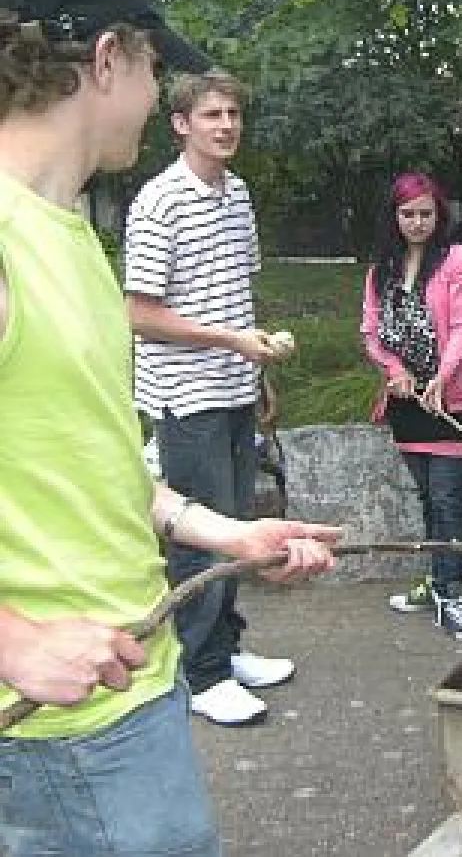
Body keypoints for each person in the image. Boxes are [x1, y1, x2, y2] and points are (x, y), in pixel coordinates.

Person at [0, 0, 339, 854]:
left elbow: (83, 461)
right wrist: (10, 644)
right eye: (155, 68)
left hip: (131, 694)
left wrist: (222, 534)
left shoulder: (66, 232)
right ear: (108, 59)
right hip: (56, 734)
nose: (159, 95)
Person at [124, 69, 299, 726]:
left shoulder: (238, 194)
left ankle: (226, 647)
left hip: (232, 386)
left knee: (235, 520)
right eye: (211, 115)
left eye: (232, 114)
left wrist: (256, 371)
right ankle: (200, 674)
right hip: (184, 394)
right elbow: (138, 312)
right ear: (180, 124)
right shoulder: (160, 200)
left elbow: (237, 293)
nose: (225, 125)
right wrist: (231, 341)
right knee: (201, 533)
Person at [362, 172, 462, 643]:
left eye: (426, 214)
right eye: (407, 214)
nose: (417, 223)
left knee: (447, 496)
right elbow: (371, 333)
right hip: (407, 402)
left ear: (441, 216)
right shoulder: (382, 271)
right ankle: (438, 579)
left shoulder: (459, 262)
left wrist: (442, 378)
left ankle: (452, 593)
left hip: (457, 399)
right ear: (394, 217)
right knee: (426, 497)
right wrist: (394, 370)